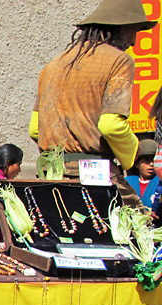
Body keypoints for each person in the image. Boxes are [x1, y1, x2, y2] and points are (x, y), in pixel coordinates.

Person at [29, 0, 157, 208]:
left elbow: (35, 129)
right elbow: (111, 125)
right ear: (122, 27)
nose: (134, 41)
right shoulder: (119, 60)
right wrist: (133, 155)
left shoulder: (54, 64)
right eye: (135, 31)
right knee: (139, 230)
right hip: (95, 174)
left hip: (52, 176)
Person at [126, 139, 160, 208]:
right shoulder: (127, 182)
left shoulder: (159, 182)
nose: (151, 164)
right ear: (137, 164)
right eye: (147, 161)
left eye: (154, 160)